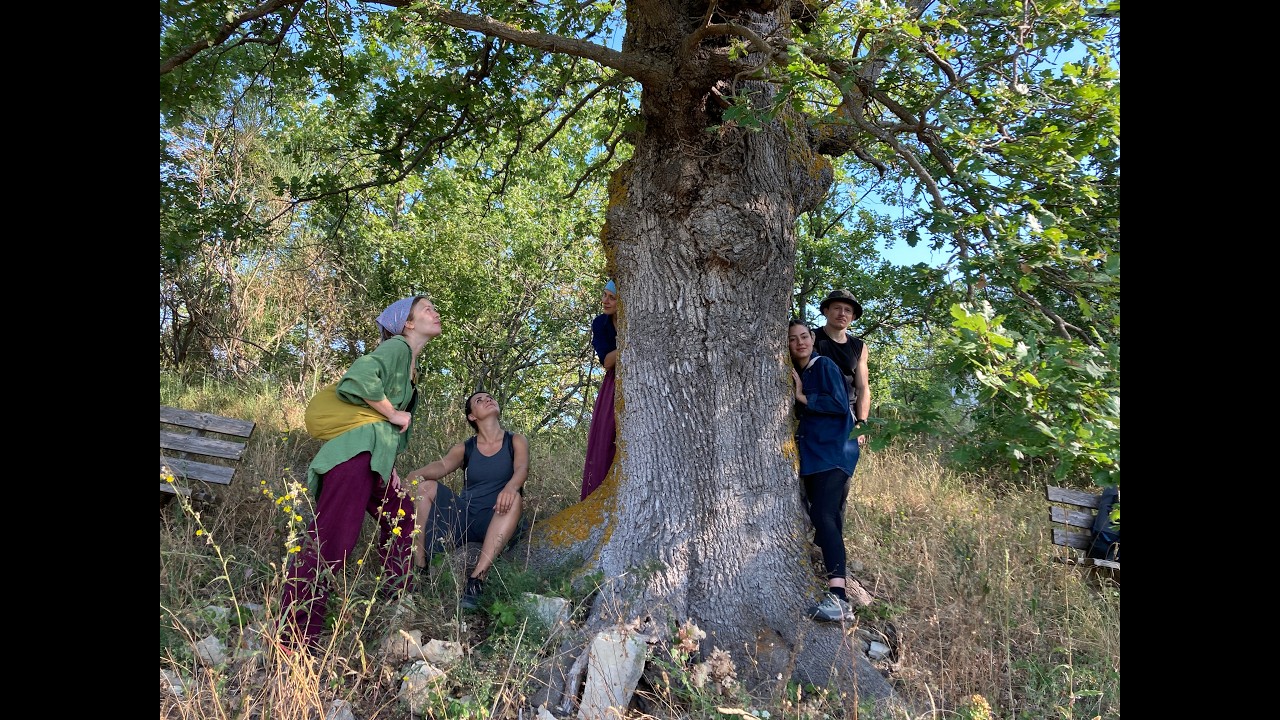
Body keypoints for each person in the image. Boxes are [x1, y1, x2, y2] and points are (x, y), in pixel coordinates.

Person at [281, 295, 442, 650]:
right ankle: (294, 637)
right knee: (333, 540)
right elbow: (359, 377)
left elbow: (377, 423)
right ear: (408, 324)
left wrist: (390, 456)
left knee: (401, 517)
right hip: (355, 456)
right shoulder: (398, 347)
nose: (436, 312)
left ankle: (396, 603)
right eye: (427, 308)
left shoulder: (410, 365)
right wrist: (394, 413)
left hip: (374, 459)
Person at [407, 391, 529, 611]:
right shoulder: (466, 447)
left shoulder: (515, 440)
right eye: (479, 400)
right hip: (464, 518)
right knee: (425, 487)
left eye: (491, 397)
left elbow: (521, 468)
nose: (488, 400)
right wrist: (416, 475)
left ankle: (476, 581)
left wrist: (511, 487)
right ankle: (420, 569)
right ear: (472, 417)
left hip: (496, 517)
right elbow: (442, 466)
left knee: (516, 498)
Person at [788, 319, 860, 623]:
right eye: (793, 340)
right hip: (817, 456)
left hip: (834, 451)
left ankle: (840, 598)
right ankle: (835, 586)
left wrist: (802, 395)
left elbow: (839, 404)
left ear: (813, 340)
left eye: (804, 336)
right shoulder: (801, 373)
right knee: (823, 516)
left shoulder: (824, 365)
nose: (800, 342)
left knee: (824, 516)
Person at [811, 289, 871, 446]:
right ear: (826, 311)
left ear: (853, 317)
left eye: (848, 310)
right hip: (815, 411)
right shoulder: (811, 338)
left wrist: (861, 422)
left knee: (843, 467)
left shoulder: (859, 347)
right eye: (837, 308)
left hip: (847, 415)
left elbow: (863, 387)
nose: (842, 313)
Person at [580, 279, 618, 500]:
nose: (605, 301)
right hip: (613, 385)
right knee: (605, 438)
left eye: (612, 297)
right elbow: (607, 361)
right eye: (604, 295)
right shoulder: (600, 324)